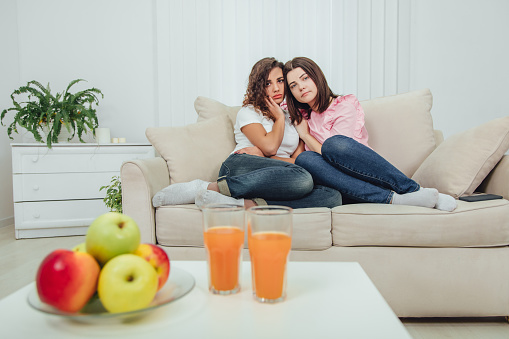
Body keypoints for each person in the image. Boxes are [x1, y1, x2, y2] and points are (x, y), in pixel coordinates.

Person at [152, 57, 342, 209]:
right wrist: (279, 120)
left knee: (332, 196)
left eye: (280, 81)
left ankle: (244, 204)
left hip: (280, 177)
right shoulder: (249, 112)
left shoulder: (294, 117)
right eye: (268, 83)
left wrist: (273, 159)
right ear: (259, 87)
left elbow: (300, 161)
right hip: (242, 167)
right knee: (303, 179)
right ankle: (207, 188)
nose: (276, 88)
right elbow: (269, 146)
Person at [283, 57, 457, 211]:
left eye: (305, 78)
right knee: (305, 159)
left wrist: (306, 136)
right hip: (341, 186)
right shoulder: (303, 118)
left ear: (317, 77)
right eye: (293, 85)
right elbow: (270, 105)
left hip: (362, 172)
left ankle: (414, 190)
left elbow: (337, 155)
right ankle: (395, 200)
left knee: (334, 144)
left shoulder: (343, 106)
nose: (301, 87)